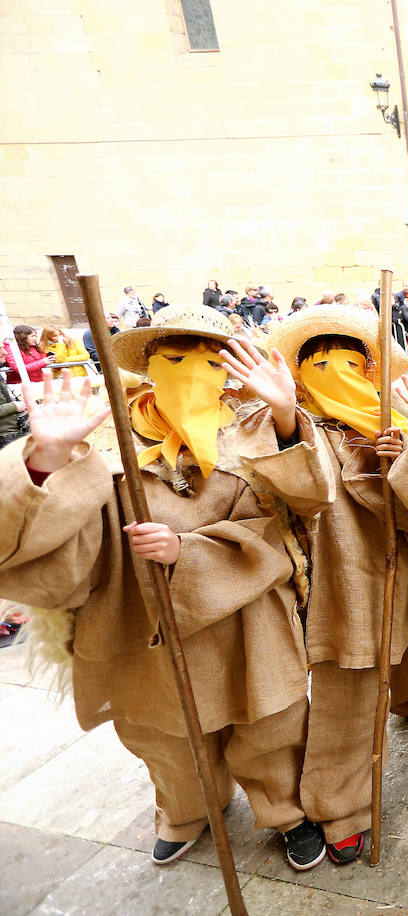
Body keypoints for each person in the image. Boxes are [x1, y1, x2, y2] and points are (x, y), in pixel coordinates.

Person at [0, 303, 336, 871]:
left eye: (207, 362)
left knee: (270, 724)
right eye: (173, 360)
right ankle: (184, 808)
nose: (189, 374)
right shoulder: (107, 440)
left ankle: (283, 808)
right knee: (165, 732)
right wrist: (47, 460)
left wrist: (283, 416)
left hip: (248, 614)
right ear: (149, 368)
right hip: (141, 616)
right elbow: (31, 542)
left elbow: (302, 508)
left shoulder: (254, 429)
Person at [265, 307, 408, 864]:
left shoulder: (390, 420)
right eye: (320, 365)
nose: (337, 374)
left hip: (400, 568)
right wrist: (282, 416)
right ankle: (339, 806)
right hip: (337, 577)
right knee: (348, 690)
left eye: (350, 363)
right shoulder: (293, 423)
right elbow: (297, 488)